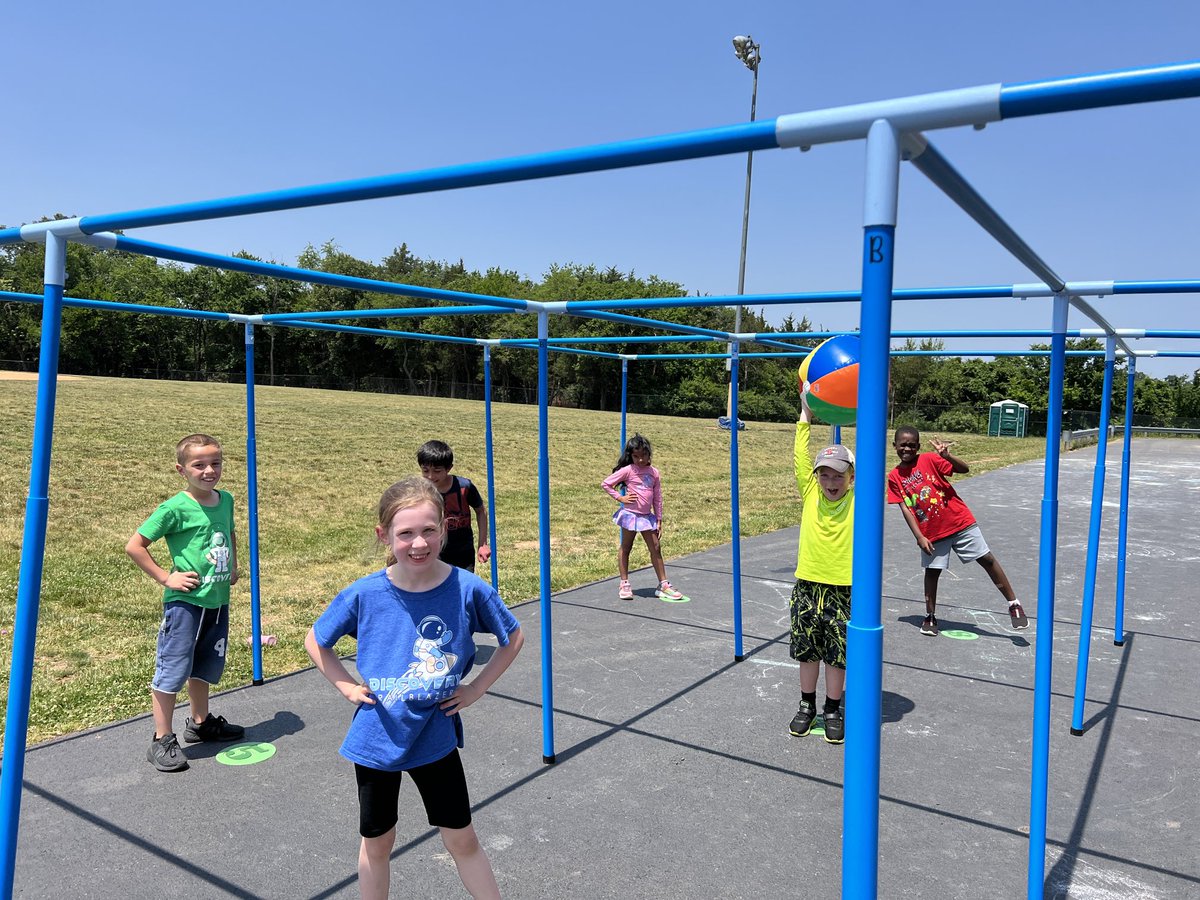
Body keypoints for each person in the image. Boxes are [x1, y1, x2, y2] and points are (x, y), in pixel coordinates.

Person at [306, 476, 523, 900]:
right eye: (405, 533)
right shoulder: (365, 594)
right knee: (377, 843)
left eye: (428, 530)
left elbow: (512, 638)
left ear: (444, 529)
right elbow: (317, 640)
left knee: (461, 839)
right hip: (377, 739)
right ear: (384, 535)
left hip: (436, 737)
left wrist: (476, 688)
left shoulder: (468, 588)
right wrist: (346, 687)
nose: (418, 543)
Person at [125, 433, 245, 773]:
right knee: (173, 667)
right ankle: (162, 738)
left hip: (217, 600)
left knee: (204, 664)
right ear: (182, 469)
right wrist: (166, 577)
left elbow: (230, 532)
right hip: (185, 603)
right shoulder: (175, 507)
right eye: (200, 465)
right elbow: (135, 545)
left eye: (216, 463)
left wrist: (232, 565)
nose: (209, 471)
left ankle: (200, 722)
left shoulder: (225, 499)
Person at [886, 426, 1029, 636]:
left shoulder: (929, 459)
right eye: (902, 445)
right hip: (932, 532)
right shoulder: (895, 477)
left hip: (960, 521)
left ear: (918, 446)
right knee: (932, 573)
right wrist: (919, 536)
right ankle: (930, 616)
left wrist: (948, 456)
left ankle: (1013, 603)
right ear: (895, 446)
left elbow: (964, 469)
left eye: (911, 445)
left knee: (987, 559)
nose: (907, 448)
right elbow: (906, 508)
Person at [787, 396, 853, 745]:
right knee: (807, 650)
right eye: (824, 474)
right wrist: (805, 416)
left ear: (851, 477)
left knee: (837, 654)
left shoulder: (860, 499)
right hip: (808, 585)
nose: (830, 481)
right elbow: (800, 458)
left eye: (838, 475)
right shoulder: (810, 491)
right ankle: (806, 704)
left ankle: (832, 708)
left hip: (843, 588)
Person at [600, 433, 685, 601]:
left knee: (656, 547)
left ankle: (663, 584)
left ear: (649, 454)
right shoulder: (628, 470)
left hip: (647, 517)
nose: (640, 460)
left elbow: (657, 497)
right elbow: (606, 483)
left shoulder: (654, 473)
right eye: (636, 456)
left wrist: (659, 519)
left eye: (644, 455)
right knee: (626, 547)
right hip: (630, 515)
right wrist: (620, 497)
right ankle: (624, 583)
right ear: (631, 456)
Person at [417, 439, 491, 573]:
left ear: (449, 468)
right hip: (434, 551)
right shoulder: (421, 491)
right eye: (425, 470)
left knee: (462, 587)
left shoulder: (465, 487)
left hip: (463, 551)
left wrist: (483, 544)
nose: (430, 476)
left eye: (437, 471)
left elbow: (481, 511)